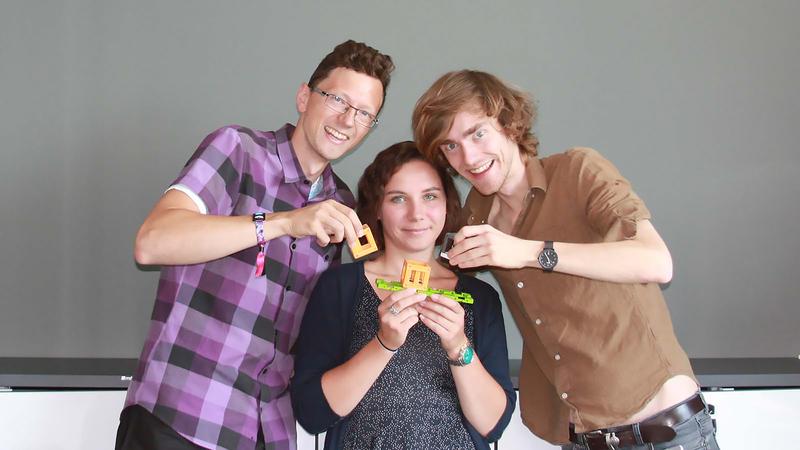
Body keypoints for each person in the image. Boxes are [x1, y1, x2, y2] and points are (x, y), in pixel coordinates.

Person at [412, 70, 719, 450]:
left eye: (477, 133)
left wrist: (527, 251)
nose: (469, 158)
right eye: (450, 146)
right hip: (580, 438)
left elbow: (657, 262)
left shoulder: (579, 170)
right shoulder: (477, 212)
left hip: (663, 432)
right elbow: (429, 258)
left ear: (508, 123)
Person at [116, 40, 394, 450]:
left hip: (268, 431)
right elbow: (153, 242)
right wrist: (282, 222)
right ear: (304, 97)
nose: (347, 120)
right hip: (181, 417)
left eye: (364, 113)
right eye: (338, 99)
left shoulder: (343, 205)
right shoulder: (238, 151)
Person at [290, 141, 516, 450]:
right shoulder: (339, 287)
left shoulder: (478, 297)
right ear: (378, 210)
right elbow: (312, 413)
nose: (416, 213)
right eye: (398, 199)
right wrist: (383, 344)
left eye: (430, 196)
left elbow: (492, 426)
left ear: (447, 204)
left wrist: (458, 346)